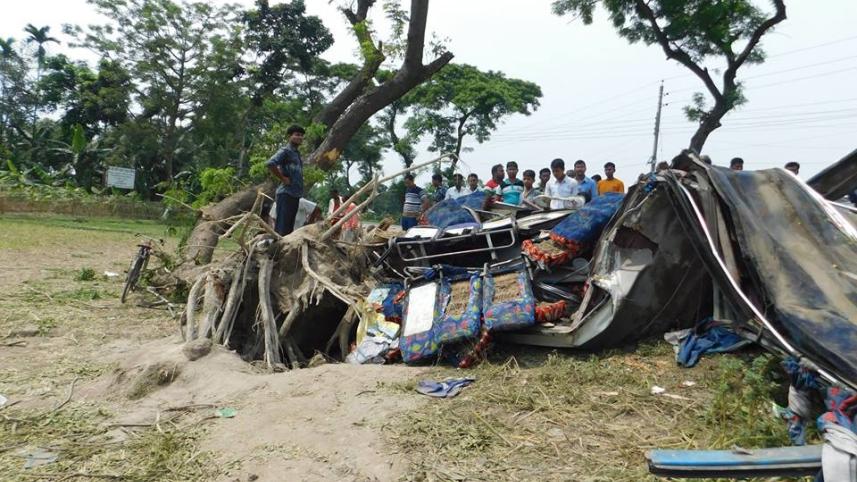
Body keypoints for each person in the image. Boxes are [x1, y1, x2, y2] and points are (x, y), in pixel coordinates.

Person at [267, 124, 305, 236]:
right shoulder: (286, 151)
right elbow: (270, 163)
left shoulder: (296, 154)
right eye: (297, 135)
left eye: (302, 136)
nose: (300, 138)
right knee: (282, 228)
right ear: (289, 136)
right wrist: (283, 178)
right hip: (285, 194)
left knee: (289, 229)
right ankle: (277, 252)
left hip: (295, 194)